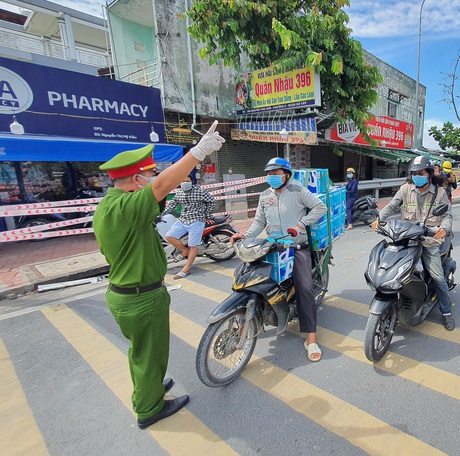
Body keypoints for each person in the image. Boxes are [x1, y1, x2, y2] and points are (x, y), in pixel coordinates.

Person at [93, 121, 225, 429]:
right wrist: (197, 153)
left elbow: (160, 195)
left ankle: (147, 390)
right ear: (137, 178)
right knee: (149, 354)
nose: (154, 177)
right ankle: (150, 409)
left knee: (141, 352)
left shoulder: (108, 206)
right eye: (150, 174)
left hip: (125, 293)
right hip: (140, 297)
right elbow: (163, 187)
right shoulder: (126, 206)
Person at [229, 157, 327, 361]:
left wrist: (301, 225)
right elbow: (259, 221)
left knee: (305, 288)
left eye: (275, 173)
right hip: (273, 246)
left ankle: (311, 338)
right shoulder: (265, 196)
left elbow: (320, 207)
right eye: (269, 174)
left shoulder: (299, 191)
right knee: (251, 278)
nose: (271, 177)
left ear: (286, 175)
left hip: (296, 247)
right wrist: (246, 236)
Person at [370, 156, 456, 331]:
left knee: (438, 278)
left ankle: (446, 312)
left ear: (429, 174)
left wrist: (444, 229)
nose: (417, 176)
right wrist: (379, 219)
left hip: (428, 241)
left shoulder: (439, 193)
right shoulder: (405, 189)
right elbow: (392, 206)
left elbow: (447, 215)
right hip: (405, 239)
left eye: (421, 173)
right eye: (414, 173)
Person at [161, 174, 216, 279]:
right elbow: (171, 205)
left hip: (197, 220)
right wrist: (159, 214)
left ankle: (186, 269)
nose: (185, 183)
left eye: (187, 181)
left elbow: (212, 201)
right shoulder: (179, 193)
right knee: (169, 236)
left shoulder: (199, 191)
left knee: (193, 245)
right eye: (183, 181)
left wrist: (207, 215)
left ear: (191, 182)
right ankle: (184, 250)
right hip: (183, 220)